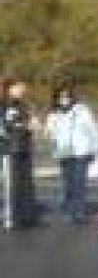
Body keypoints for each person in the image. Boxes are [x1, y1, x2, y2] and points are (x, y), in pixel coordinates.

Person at [45, 84, 98, 225]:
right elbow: (49, 133)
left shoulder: (82, 110)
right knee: (68, 183)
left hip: (80, 151)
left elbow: (92, 129)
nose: (64, 99)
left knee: (79, 182)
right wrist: (49, 134)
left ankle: (79, 211)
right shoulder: (53, 114)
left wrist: (96, 148)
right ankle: (70, 209)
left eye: (67, 96)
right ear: (56, 98)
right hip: (63, 152)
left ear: (72, 97)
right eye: (61, 97)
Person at [1, 79, 38, 228]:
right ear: (10, 89)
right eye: (18, 87)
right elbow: (5, 127)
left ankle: (26, 216)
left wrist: (33, 124)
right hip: (10, 149)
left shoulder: (24, 105)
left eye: (23, 86)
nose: (22, 89)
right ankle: (11, 217)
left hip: (24, 147)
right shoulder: (4, 105)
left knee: (26, 183)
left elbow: (30, 123)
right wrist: (24, 126)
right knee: (12, 185)